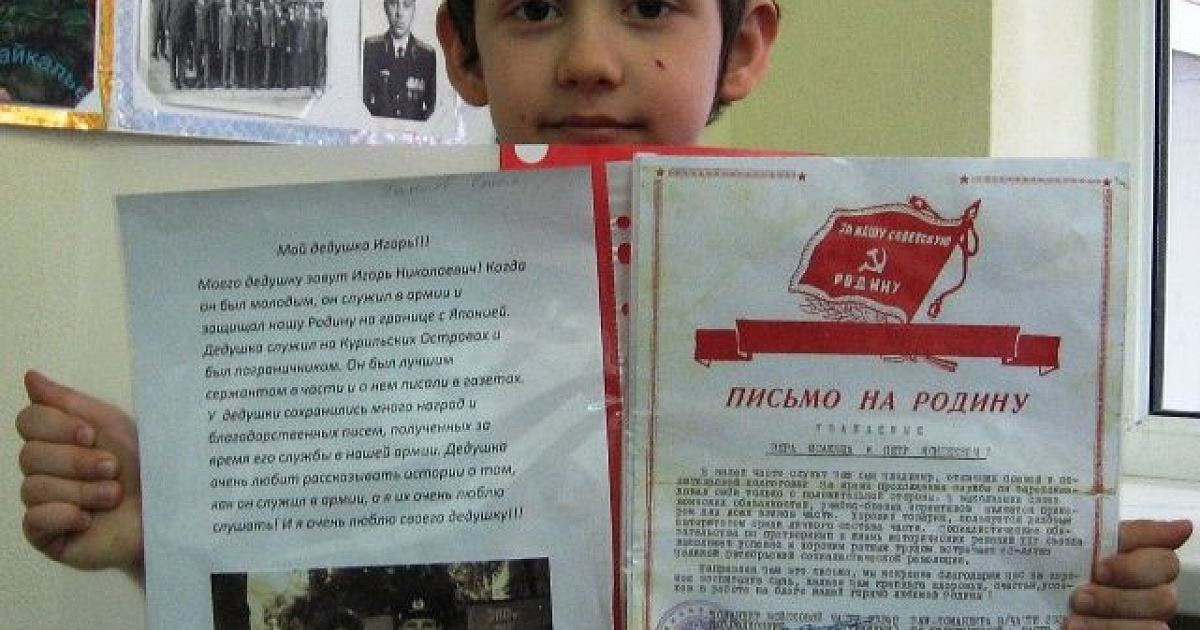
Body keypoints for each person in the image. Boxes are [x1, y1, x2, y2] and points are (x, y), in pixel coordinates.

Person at [14, 1, 1192, 628]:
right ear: (462, 51)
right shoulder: (368, 319)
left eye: (648, 7)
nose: (588, 58)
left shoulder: (853, 273)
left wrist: (1063, 594)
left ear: (744, 45)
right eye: (534, 9)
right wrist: (175, 535)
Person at [362, 0, 437, 120]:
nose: (400, 13)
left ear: (414, 10)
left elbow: (433, 109)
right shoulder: (371, 49)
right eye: (393, 4)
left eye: (407, 5)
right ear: (385, 7)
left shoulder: (426, 56)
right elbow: (363, 102)